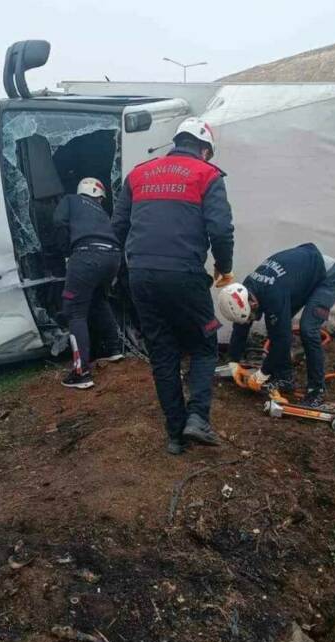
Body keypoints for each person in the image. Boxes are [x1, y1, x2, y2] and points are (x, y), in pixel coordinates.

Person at [113, 117, 235, 455]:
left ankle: (174, 435)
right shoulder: (207, 175)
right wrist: (223, 268)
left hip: (141, 275)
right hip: (184, 274)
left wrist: (126, 272)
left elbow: (118, 226)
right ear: (205, 149)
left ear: (177, 141)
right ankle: (197, 417)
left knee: (163, 352)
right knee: (204, 344)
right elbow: (221, 230)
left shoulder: (138, 174)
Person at [217, 243, 335, 407]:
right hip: (299, 275)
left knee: (308, 329)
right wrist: (233, 361)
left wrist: (262, 374)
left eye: (250, 315)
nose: (251, 319)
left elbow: (282, 340)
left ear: (253, 304)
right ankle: (285, 378)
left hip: (327, 275)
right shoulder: (245, 289)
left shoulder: (273, 295)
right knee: (277, 328)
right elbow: (242, 325)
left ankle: (316, 390)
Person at [52, 177, 124, 389]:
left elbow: (58, 221)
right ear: (98, 196)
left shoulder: (70, 200)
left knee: (75, 312)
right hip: (113, 257)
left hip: (86, 255)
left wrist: (66, 251)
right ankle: (114, 349)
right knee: (99, 300)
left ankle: (80, 372)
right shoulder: (101, 211)